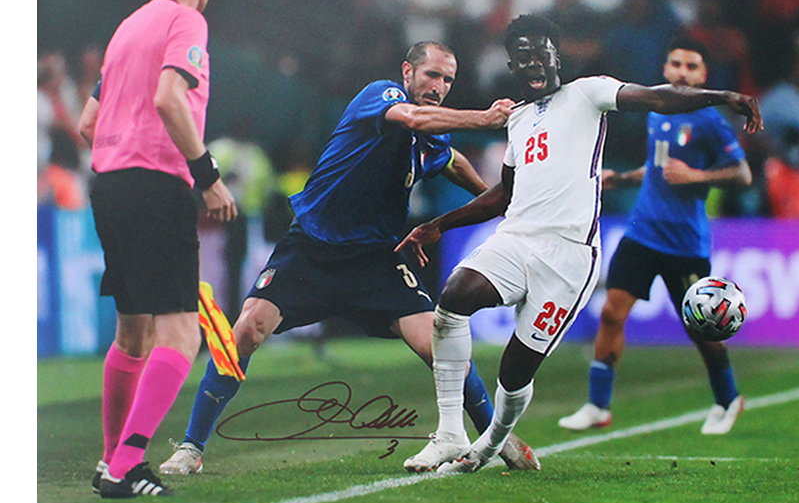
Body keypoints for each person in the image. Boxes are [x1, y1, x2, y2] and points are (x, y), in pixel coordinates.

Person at [397, 15, 762, 474]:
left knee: (514, 372)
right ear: (512, 66)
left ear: (557, 56)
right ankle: (451, 433)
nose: (533, 62)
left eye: (541, 52)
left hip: (568, 258)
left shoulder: (588, 93)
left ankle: (490, 446)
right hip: (516, 239)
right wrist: (440, 224)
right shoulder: (518, 119)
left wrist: (723, 96)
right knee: (454, 297)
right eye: (523, 56)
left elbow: (657, 97)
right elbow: (505, 193)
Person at [159, 41, 541, 477]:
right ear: (408, 72)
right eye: (432, 75)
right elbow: (414, 119)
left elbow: (450, 161)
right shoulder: (382, 96)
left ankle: (497, 436)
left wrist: (502, 204)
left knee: (441, 348)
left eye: (448, 80)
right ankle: (190, 447)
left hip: (376, 260)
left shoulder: (434, 135)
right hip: (311, 249)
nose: (439, 86)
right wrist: (485, 118)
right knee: (245, 330)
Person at [78, 0, 238, 498]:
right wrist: (208, 177)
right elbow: (170, 97)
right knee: (183, 334)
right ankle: (126, 463)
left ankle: (110, 461)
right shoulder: (187, 22)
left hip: (109, 185)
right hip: (155, 184)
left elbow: (88, 123)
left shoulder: (127, 28)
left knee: (133, 334)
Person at [558, 35, 754, 437]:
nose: (682, 72)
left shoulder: (710, 121)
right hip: (642, 231)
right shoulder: (657, 111)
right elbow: (658, 168)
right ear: (665, 68)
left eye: (691, 66)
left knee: (700, 328)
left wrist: (697, 175)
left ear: (703, 75)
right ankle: (597, 405)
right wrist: (622, 178)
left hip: (683, 242)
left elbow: (743, 174)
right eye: (676, 64)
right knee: (612, 313)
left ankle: (727, 398)